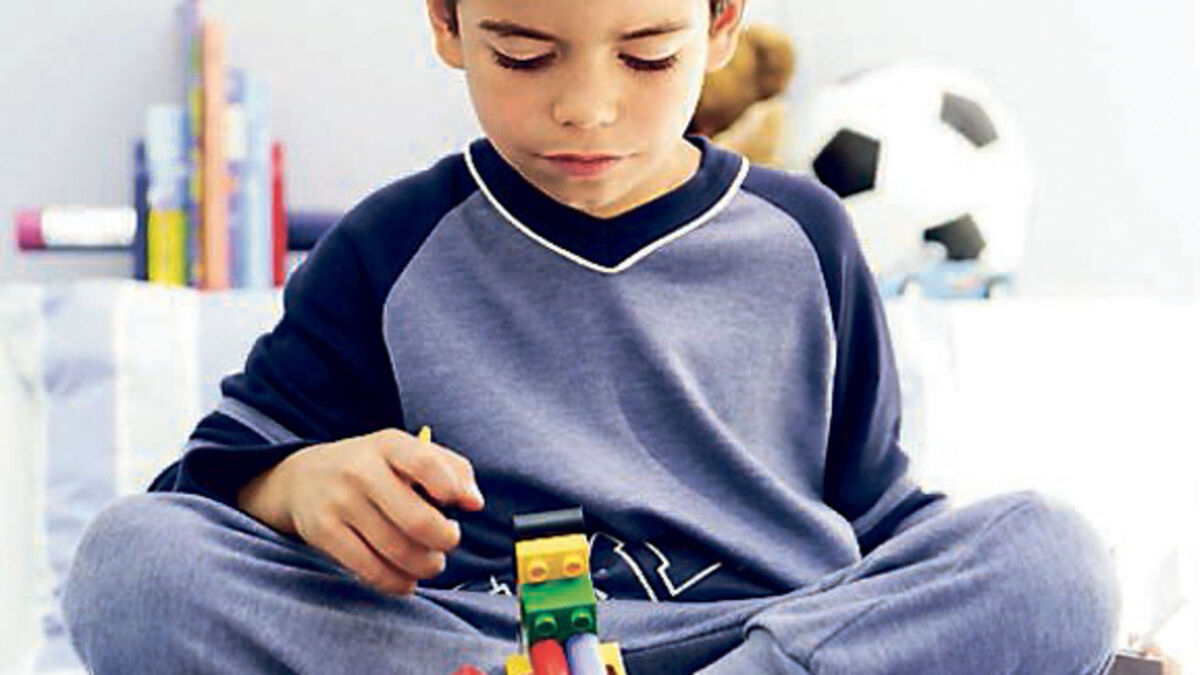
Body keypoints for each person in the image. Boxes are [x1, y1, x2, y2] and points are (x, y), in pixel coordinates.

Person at [61, 0, 1120, 672]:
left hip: (760, 643)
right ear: (447, 22)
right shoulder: (388, 246)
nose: (588, 109)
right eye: (524, 54)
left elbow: (879, 516)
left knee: (1053, 558)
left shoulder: (805, 236)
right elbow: (206, 487)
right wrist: (297, 485)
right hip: (477, 649)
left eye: (647, 56)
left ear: (720, 23)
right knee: (132, 562)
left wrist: (951, 597)